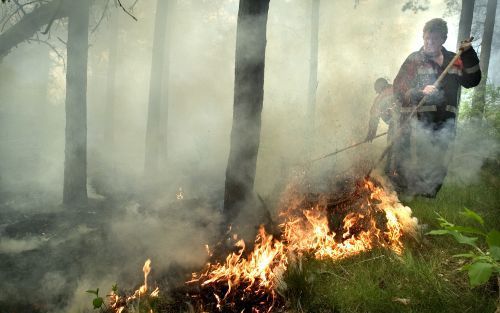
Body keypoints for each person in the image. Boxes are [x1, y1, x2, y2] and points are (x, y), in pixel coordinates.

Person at [392, 18, 481, 197]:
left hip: (445, 123)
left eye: (434, 39)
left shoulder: (453, 61)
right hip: (418, 123)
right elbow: (398, 87)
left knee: (439, 161)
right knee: (413, 161)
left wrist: (468, 54)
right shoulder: (414, 60)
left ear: (443, 39)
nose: (429, 43)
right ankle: (406, 195)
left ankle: (428, 195)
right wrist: (419, 91)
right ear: (423, 37)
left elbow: (472, 80)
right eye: (427, 38)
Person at [365, 77, 398, 175]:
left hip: (395, 124)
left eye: (377, 90)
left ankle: (390, 172)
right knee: (403, 148)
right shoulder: (397, 89)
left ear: (379, 88)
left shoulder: (380, 97)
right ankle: (401, 173)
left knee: (391, 147)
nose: (377, 92)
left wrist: (371, 134)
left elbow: (374, 118)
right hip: (408, 123)